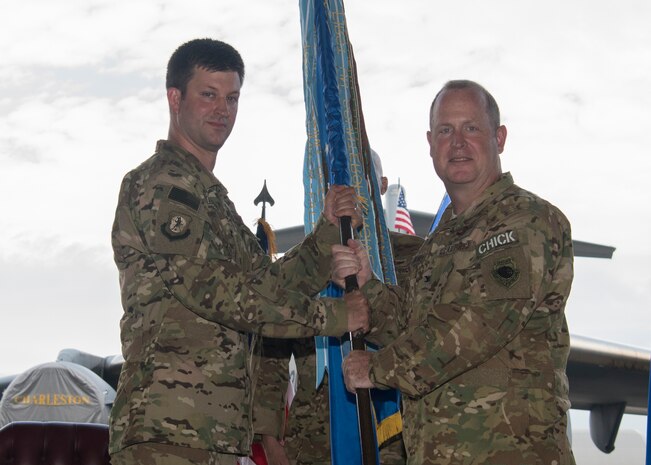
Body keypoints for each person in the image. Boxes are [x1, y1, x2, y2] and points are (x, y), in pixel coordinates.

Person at [109, 38, 370, 465]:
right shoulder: (161, 186)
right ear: (175, 99)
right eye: (208, 95)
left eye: (232, 98)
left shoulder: (214, 202)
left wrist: (326, 235)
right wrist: (335, 318)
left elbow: (269, 285)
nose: (222, 110)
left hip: (213, 433)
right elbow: (217, 293)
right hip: (167, 431)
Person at [335, 80, 575, 465]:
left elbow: (480, 323)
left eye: (471, 128)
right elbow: (414, 326)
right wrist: (369, 285)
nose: (458, 142)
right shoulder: (441, 241)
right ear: (430, 144)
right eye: (446, 130)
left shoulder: (526, 221)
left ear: (499, 138)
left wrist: (380, 369)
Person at [252, 149, 405, 465]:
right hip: (312, 439)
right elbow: (271, 348)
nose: (349, 198)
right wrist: (269, 438)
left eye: (359, 185)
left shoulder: (409, 258)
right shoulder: (307, 262)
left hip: (395, 434)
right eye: (335, 187)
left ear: (382, 186)